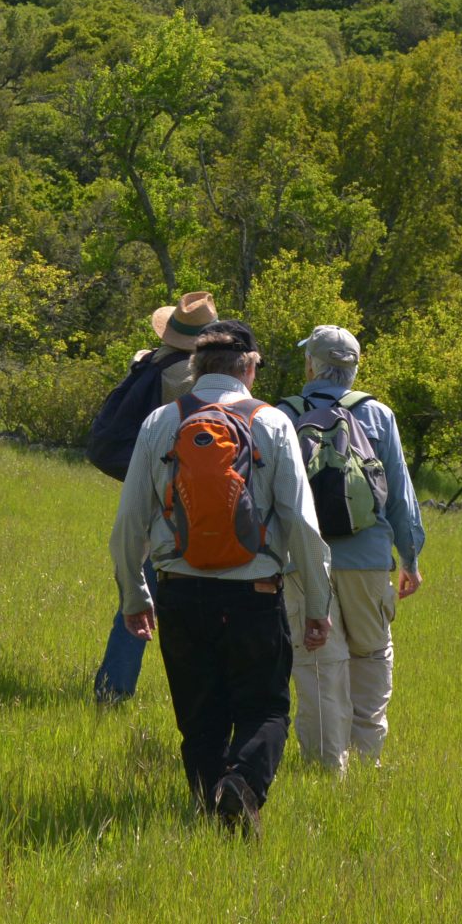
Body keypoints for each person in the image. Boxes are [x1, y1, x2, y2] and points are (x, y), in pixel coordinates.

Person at [109, 319, 332, 833]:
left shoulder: (161, 423)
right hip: (254, 593)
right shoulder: (273, 424)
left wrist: (133, 595)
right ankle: (243, 787)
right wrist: (317, 604)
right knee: (266, 709)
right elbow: (301, 523)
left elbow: (128, 522)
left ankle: (216, 815)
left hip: (180, 593)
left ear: (195, 367)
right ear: (249, 368)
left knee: (199, 720)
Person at [276, 325, 423, 772]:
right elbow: (401, 496)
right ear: (354, 369)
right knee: (372, 656)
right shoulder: (379, 415)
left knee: (320, 667)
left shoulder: (282, 414)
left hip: (302, 563)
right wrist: (411, 559)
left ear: (310, 365)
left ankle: (327, 770)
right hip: (368, 560)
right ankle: (365, 762)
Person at [87, 290, 214, 704]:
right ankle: (197, 698)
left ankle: (112, 688)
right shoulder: (188, 381)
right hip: (178, 500)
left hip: (145, 494)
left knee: (138, 597)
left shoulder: (147, 362)